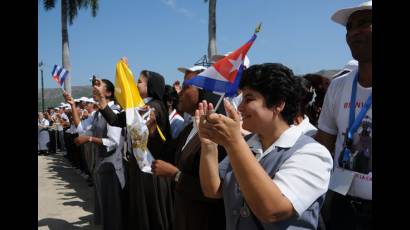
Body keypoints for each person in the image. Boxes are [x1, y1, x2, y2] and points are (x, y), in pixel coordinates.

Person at [196, 63, 333, 229]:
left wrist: (234, 142)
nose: (240, 107)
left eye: (249, 99)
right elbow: (213, 189)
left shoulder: (313, 154)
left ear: (278, 104)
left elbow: (272, 210)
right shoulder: (247, 144)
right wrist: (208, 144)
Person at [315, 1, 372, 229]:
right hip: (341, 205)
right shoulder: (338, 87)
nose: (353, 31)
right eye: (349, 27)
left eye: (364, 23)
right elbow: (322, 144)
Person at [95, 70, 174, 230]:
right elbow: (116, 120)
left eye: (139, 81)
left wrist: (125, 77)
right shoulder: (142, 106)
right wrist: (102, 98)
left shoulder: (154, 106)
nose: (136, 84)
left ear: (150, 86)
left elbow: (142, 127)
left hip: (150, 171)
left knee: (149, 214)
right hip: (141, 169)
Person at [151, 73, 226, 230]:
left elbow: (216, 192)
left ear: (204, 92)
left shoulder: (218, 133)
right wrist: (152, 130)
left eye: (186, 87)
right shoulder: (188, 129)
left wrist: (175, 175)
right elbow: (168, 154)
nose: (179, 93)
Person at [64, 79, 125, 230]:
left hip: (112, 168)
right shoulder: (98, 113)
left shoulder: (114, 112)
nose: (94, 88)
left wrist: (89, 139)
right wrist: (72, 106)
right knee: (105, 208)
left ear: (109, 93)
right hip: (101, 167)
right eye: (94, 87)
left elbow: (113, 142)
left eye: (99, 86)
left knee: (113, 210)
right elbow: (81, 128)